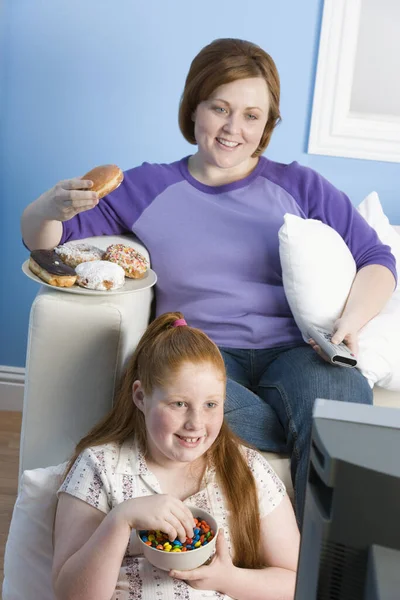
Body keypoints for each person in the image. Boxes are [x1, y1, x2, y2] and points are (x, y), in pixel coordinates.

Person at [21, 38, 397, 526]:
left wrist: (348, 323)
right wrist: (52, 205)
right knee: (191, 402)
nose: (233, 129)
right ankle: (303, 432)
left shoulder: (301, 186)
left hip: (298, 352)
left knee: (344, 393)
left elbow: (376, 258)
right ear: (193, 107)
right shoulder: (146, 186)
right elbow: (45, 241)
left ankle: (327, 573)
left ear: (267, 124)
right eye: (220, 108)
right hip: (200, 353)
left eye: (251, 116)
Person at [52, 312, 300, 600]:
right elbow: (70, 594)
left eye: (210, 404)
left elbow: (298, 583)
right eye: (179, 403)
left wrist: (229, 579)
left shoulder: (249, 469)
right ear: (141, 397)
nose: (195, 422)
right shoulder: (99, 467)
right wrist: (121, 520)